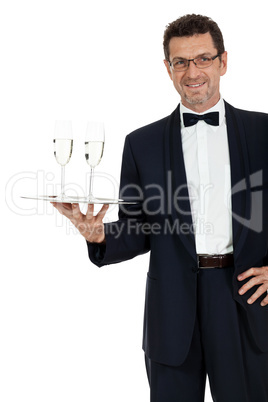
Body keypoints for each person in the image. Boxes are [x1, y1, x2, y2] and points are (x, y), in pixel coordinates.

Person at [52, 14, 268, 402]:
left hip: (245, 301)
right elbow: (139, 227)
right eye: (180, 62)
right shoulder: (142, 143)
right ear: (167, 69)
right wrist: (100, 234)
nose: (192, 72)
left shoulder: (264, 133)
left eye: (202, 58)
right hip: (171, 305)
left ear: (223, 62)